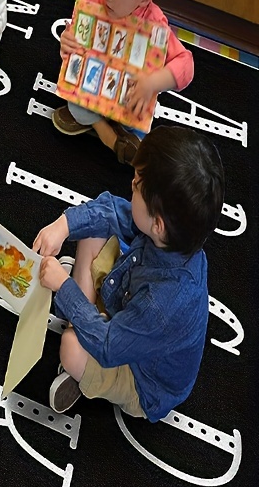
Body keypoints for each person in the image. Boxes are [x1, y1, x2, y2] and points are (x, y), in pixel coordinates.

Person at [33, 126, 224, 422]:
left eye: (136, 185)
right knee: (94, 229)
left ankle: (83, 367)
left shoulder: (162, 305)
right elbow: (112, 211)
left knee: (71, 348)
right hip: (129, 307)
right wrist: (63, 225)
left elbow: (110, 346)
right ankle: (83, 308)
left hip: (142, 378)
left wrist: (64, 288)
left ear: (158, 224)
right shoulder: (173, 237)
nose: (130, 184)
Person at [52, 0, 194, 165]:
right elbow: (75, 37)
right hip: (92, 87)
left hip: (127, 100)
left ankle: (100, 126)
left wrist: (152, 83)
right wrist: (66, 42)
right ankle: (107, 134)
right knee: (74, 102)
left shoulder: (155, 24)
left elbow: (187, 65)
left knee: (136, 119)